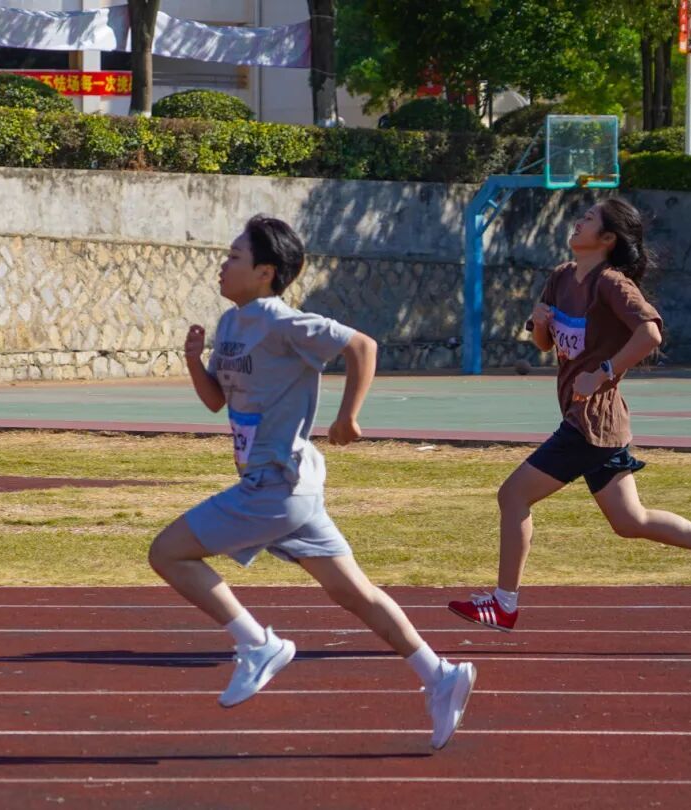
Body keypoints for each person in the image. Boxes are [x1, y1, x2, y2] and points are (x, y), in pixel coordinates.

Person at [149, 215, 476, 749]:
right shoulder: (230, 324)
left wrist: (348, 417)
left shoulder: (284, 322)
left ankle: (257, 644)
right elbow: (216, 401)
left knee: (167, 553)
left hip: (276, 487)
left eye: (234, 256)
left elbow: (362, 346)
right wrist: (192, 361)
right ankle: (440, 675)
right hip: (285, 489)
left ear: (265, 272)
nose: (223, 265)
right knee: (354, 593)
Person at [448, 198, 691, 632]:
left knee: (513, 496)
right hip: (597, 426)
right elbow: (545, 345)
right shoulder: (562, 277)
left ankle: (504, 604)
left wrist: (601, 373)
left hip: (588, 424)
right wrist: (539, 322)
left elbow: (649, 334)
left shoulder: (612, 284)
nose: (578, 222)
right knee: (630, 521)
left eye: (588, 219)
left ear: (607, 238)